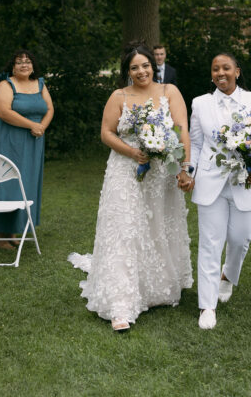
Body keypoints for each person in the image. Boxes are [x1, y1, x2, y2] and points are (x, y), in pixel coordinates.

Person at [69, 43, 192, 331]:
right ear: (127, 71)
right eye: (134, 67)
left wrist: (184, 168)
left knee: (155, 229)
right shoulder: (119, 96)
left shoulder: (169, 92)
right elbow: (106, 133)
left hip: (161, 175)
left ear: (154, 66)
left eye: (145, 65)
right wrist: (132, 152)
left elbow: (181, 129)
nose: (141, 71)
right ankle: (120, 305)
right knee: (124, 229)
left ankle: (154, 290)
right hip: (125, 172)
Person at [188, 52, 251, 330]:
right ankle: (207, 306)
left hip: (244, 183)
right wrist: (189, 173)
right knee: (210, 244)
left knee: (240, 240)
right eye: (215, 69)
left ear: (237, 71)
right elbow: (196, 144)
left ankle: (227, 276)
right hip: (210, 183)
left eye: (226, 68)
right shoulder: (200, 104)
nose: (220, 73)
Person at [0, 49, 53, 249]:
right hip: (7, 138)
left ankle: (13, 229)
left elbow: (50, 108)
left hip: (33, 141)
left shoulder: (40, 84)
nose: (24, 65)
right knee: (5, 182)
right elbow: (4, 112)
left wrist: (42, 126)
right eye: (19, 62)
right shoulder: (5, 84)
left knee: (24, 182)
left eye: (28, 61)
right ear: (12, 66)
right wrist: (32, 125)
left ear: (33, 65)